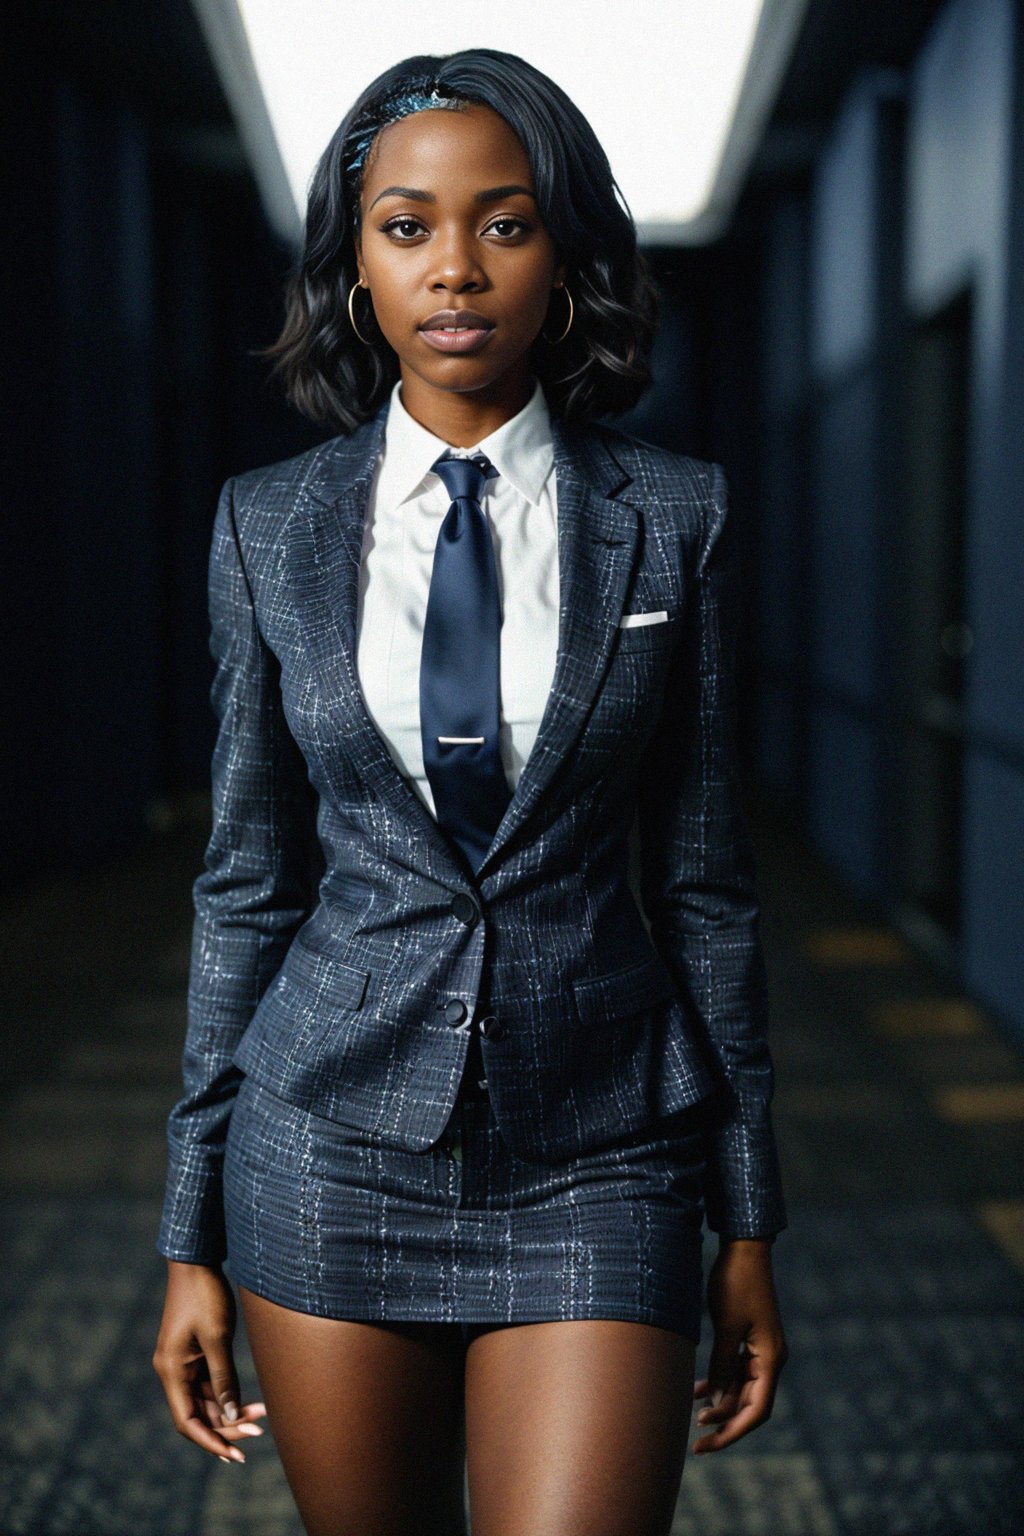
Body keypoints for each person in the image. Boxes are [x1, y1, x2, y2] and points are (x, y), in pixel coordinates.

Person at [152, 47, 789, 1536]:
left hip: (604, 1149)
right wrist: (190, 1228)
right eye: (406, 226)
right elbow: (247, 882)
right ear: (355, 270)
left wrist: (751, 1211)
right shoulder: (268, 529)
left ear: (564, 258)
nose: (456, 270)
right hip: (327, 1141)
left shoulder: (674, 516)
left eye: (504, 224)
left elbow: (706, 885)